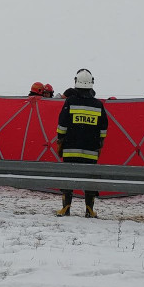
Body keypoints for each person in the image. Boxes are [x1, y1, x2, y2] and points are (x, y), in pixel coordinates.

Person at [53, 69, 107, 218]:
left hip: (70, 148)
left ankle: (66, 209)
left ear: (76, 83)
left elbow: (62, 124)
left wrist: (60, 140)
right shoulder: (98, 105)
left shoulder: (70, 102)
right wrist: (100, 144)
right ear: (91, 84)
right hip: (91, 150)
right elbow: (103, 128)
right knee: (89, 179)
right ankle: (89, 210)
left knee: (68, 178)